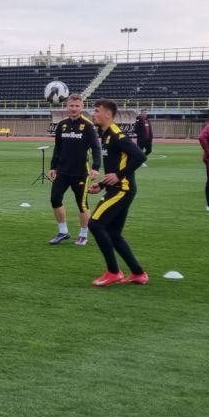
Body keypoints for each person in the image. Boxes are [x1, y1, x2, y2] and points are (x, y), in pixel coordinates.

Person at [87, 99, 148, 287]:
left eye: (97, 111)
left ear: (107, 114)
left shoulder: (116, 135)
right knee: (113, 233)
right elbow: (114, 167)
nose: (94, 114)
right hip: (117, 188)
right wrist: (102, 185)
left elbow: (140, 156)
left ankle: (113, 272)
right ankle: (138, 273)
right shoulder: (104, 134)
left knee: (95, 224)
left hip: (123, 189)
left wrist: (119, 175)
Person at [48, 94, 102, 246]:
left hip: (80, 172)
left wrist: (96, 167)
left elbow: (96, 148)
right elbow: (58, 148)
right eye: (71, 105)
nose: (74, 108)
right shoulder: (61, 125)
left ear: (82, 107)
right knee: (55, 199)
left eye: (77, 106)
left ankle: (83, 234)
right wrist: (53, 166)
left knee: (82, 204)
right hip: (62, 171)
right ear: (67, 106)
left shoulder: (88, 125)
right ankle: (63, 231)